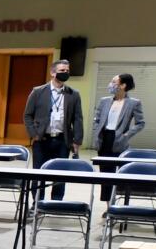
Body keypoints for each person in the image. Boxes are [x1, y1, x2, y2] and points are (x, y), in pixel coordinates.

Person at [23, 58, 84, 200]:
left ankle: (56, 202)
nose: (65, 73)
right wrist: (34, 134)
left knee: (60, 174)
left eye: (67, 71)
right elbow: (27, 115)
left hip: (63, 140)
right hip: (42, 139)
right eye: (62, 70)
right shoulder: (38, 91)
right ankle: (38, 203)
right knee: (38, 173)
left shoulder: (73, 94)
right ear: (52, 72)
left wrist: (77, 140)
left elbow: (78, 118)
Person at [93, 72, 147, 203]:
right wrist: (96, 131)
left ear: (123, 85)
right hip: (104, 139)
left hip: (119, 140)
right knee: (105, 175)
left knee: (118, 174)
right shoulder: (104, 101)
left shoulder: (134, 103)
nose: (110, 85)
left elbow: (140, 123)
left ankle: (120, 204)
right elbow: (97, 119)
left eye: (114, 82)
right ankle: (108, 206)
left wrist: (127, 135)